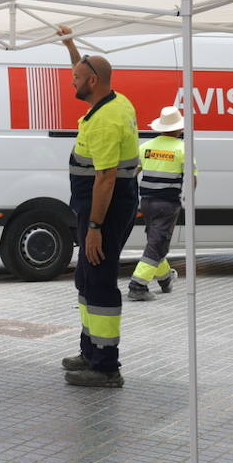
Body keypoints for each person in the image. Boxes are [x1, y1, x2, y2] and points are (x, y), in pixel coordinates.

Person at [58, 27, 140, 388]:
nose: (71, 82)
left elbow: (105, 178)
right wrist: (71, 45)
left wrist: (94, 229)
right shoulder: (112, 100)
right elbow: (84, 67)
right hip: (98, 203)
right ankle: (90, 350)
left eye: (76, 78)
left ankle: (106, 367)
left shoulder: (107, 119)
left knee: (100, 279)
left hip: (105, 207)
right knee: (86, 278)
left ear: (92, 81)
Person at [128, 106, 189, 301]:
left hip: (147, 202)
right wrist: (187, 196)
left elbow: (132, 173)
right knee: (157, 242)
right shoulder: (183, 148)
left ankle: (165, 279)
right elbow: (191, 178)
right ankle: (137, 285)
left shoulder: (146, 147)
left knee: (155, 240)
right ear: (178, 129)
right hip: (168, 204)